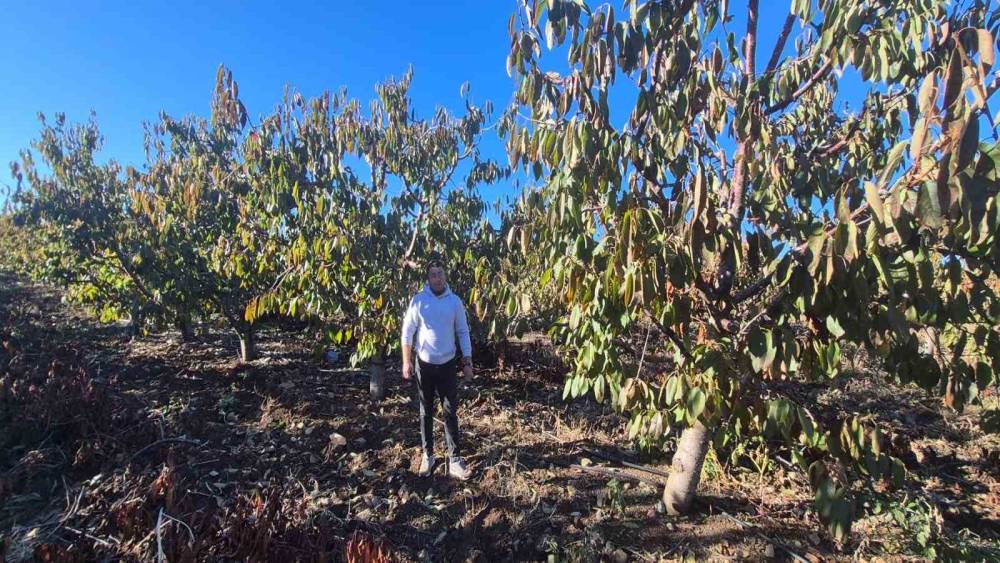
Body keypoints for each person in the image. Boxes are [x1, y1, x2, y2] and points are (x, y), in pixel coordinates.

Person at [401, 261, 474, 480]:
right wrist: (406, 361)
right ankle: (428, 455)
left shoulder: (455, 302)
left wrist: (467, 361)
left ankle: (455, 460)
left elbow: (462, 331)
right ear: (428, 278)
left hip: (447, 365)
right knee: (426, 411)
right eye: (433, 275)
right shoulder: (418, 301)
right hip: (424, 365)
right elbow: (407, 332)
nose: (437, 278)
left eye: (440, 273)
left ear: (445, 275)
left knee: (450, 411)